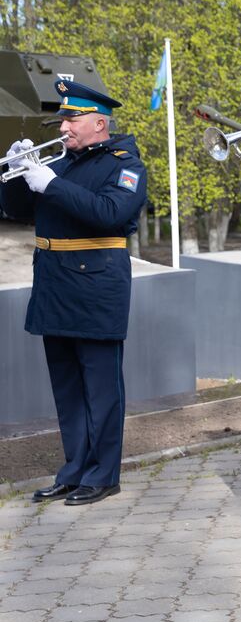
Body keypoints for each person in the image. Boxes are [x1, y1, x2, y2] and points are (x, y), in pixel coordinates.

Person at [1, 80, 145, 506]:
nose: (63, 127)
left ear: (99, 122)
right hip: (55, 284)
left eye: (71, 118)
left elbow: (110, 213)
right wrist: (16, 170)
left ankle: (103, 475)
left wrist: (50, 184)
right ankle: (74, 470)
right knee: (66, 388)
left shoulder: (125, 164)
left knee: (101, 388)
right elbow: (15, 210)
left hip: (96, 286)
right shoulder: (59, 164)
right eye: (61, 119)